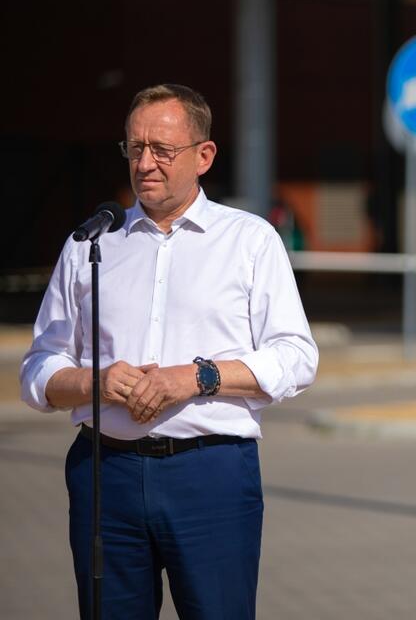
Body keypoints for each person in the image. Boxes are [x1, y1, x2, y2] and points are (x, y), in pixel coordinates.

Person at [20, 84, 319, 620]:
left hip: (210, 477)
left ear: (203, 156)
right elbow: (39, 368)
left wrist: (197, 378)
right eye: (135, 148)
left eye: (163, 149)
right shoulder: (90, 244)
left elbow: (296, 356)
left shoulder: (250, 241)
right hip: (103, 473)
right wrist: (97, 381)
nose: (146, 163)